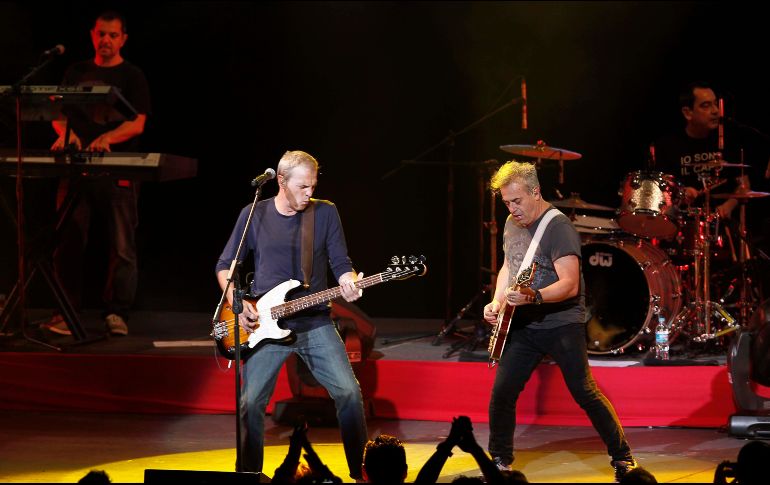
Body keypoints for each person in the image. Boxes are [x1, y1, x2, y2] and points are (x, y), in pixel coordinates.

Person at [215, 150, 368, 481]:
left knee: (349, 394)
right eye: (302, 187)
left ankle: (362, 473)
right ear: (281, 182)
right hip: (264, 326)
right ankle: (249, 474)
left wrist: (348, 281)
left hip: (314, 322)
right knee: (250, 402)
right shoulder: (253, 214)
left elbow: (341, 264)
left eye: (312, 186)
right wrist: (237, 304)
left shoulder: (325, 213)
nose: (308, 193)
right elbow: (226, 266)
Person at [481, 161, 637, 482]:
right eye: (507, 202)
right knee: (502, 393)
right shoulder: (512, 223)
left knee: (584, 392)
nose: (512, 208)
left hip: (560, 322)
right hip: (524, 325)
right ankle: (499, 462)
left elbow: (570, 285)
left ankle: (623, 458)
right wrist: (497, 300)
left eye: (517, 201)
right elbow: (509, 268)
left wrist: (533, 297)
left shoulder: (558, 227)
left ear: (535, 192)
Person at [45, 10, 151, 336]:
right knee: (69, 241)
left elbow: (138, 122)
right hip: (76, 168)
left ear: (123, 39)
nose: (106, 40)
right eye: (101, 34)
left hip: (117, 169)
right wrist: (67, 136)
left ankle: (117, 313)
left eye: (113, 35)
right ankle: (65, 312)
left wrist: (107, 138)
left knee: (121, 245)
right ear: (92, 35)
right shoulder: (75, 71)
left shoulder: (132, 75)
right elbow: (56, 112)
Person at [654, 81, 747, 221]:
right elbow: (660, 192)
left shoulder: (728, 141)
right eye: (706, 105)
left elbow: (744, 186)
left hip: (722, 224)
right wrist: (680, 193)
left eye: (715, 103)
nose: (715, 110)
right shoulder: (667, 146)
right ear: (688, 113)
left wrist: (729, 205)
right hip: (682, 225)